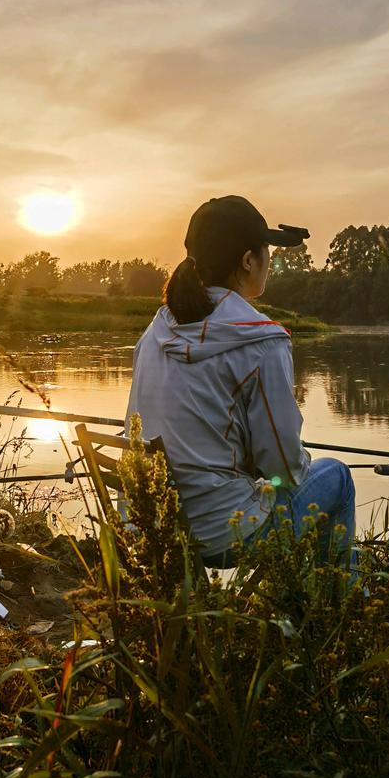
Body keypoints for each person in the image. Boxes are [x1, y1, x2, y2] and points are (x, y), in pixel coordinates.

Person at [126, 195, 355, 567]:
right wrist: (292, 464)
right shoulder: (263, 340)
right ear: (249, 260)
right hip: (222, 534)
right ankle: (326, 611)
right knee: (338, 477)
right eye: (266, 252)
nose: (270, 263)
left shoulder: (155, 330)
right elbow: (283, 468)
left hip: (151, 525)